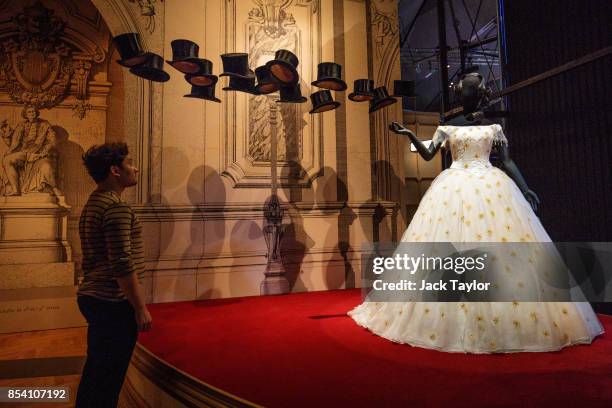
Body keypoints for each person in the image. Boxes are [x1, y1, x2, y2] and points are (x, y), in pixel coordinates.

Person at [348, 73, 604, 353]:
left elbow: (507, 161)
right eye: (459, 87)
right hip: (453, 188)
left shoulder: (494, 127)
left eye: (465, 87)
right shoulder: (447, 125)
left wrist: (526, 188)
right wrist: (410, 134)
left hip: (492, 185)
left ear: (476, 92)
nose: (459, 90)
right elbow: (428, 154)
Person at [76, 142, 151, 407]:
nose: (136, 168)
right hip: (112, 302)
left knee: (96, 374)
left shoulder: (95, 201)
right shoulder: (117, 208)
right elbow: (122, 263)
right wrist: (140, 308)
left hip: (94, 297)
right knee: (107, 381)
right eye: (130, 163)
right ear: (115, 170)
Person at [1, 105, 61, 196]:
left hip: (39, 153)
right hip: (24, 153)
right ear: (25, 114)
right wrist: (6, 136)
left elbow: (52, 141)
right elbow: (14, 143)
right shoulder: (21, 125)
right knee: (7, 160)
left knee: (47, 166)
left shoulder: (45, 124)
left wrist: (43, 152)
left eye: (33, 111)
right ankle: (15, 189)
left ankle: (53, 187)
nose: (32, 113)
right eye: (29, 112)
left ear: (36, 113)